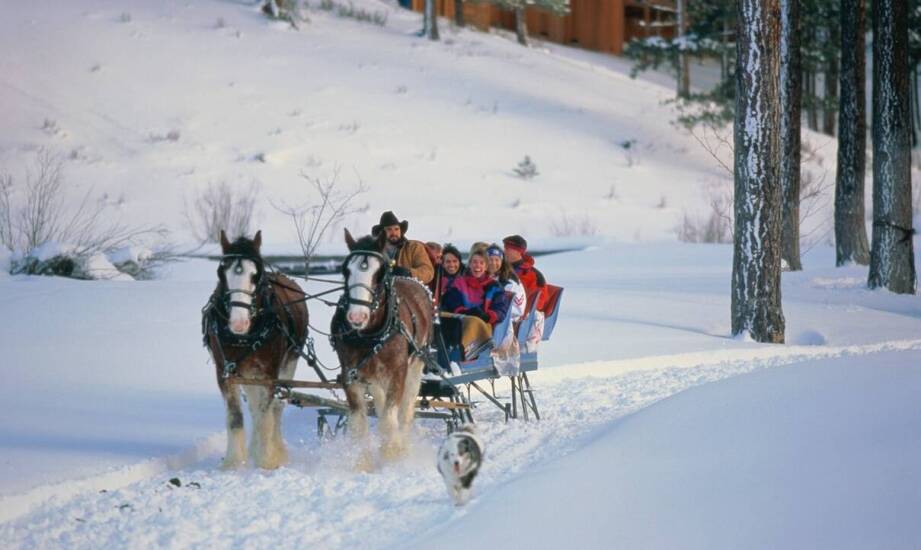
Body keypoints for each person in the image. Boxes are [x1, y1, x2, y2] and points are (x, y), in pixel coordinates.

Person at [441, 249, 510, 359]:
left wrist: (488, 315)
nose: (477, 266)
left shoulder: (494, 286)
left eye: (481, 263)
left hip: (484, 326)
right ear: (469, 265)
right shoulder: (459, 283)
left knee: (474, 322)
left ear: (486, 266)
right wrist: (464, 311)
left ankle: (462, 354)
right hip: (461, 320)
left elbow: (501, 308)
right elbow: (452, 301)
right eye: (474, 262)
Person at [485, 244, 526, 375]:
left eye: (496, 260)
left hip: (505, 322)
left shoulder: (510, 282)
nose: (493, 263)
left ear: (502, 261)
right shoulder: (483, 278)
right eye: (490, 259)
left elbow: (518, 309)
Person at [503, 234, 546, 352]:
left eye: (507, 248)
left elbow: (539, 302)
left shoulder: (533, 275)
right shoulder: (500, 270)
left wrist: (520, 311)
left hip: (520, 316)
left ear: (518, 251)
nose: (504, 251)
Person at [371, 211, 434, 284]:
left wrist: (408, 273)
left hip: (407, 289)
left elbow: (428, 272)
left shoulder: (414, 247)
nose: (394, 233)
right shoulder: (373, 251)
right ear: (381, 232)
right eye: (389, 229)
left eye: (396, 229)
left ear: (401, 230)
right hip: (379, 289)